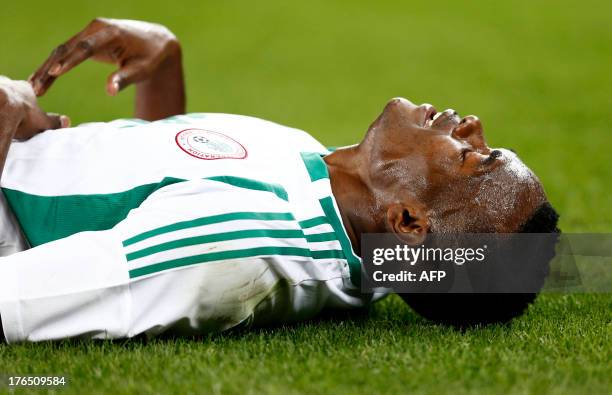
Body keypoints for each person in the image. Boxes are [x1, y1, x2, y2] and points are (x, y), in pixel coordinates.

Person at [0, 18, 559, 343]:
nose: (474, 127)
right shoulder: (321, 176)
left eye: (474, 158)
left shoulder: (238, 243)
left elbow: (14, 299)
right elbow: (153, 194)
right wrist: (164, 68)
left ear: (408, 220)